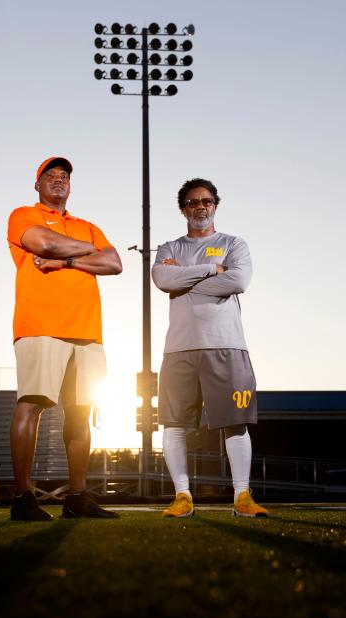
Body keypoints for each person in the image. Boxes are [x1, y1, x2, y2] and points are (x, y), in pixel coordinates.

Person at [6, 156, 123, 521]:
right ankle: (24, 497)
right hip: (41, 324)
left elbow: (115, 263)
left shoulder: (87, 224)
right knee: (32, 404)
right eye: (50, 175)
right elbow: (43, 243)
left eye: (64, 176)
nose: (59, 180)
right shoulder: (24, 214)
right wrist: (87, 251)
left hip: (87, 330)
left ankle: (77, 497)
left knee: (81, 412)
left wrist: (67, 261)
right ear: (38, 184)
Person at [151, 178, 269, 518]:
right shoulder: (169, 247)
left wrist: (185, 282)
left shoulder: (234, 244)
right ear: (182, 209)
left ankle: (242, 497)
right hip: (179, 349)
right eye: (192, 202)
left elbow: (239, 281)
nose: (200, 207)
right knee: (173, 424)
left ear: (215, 205)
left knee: (235, 422)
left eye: (206, 201)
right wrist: (208, 271)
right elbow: (162, 280)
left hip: (227, 345)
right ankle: (182, 496)